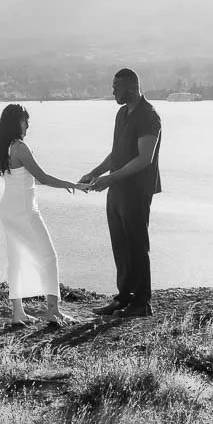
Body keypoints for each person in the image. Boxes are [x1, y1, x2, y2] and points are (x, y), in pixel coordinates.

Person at [80, 68, 162, 317]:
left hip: (136, 191)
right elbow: (116, 153)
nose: (113, 90)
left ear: (131, 86)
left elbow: (144, 159)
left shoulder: (149, 116)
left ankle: (142, 302)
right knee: (120, 245)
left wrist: (109, 179)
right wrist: (95, 173)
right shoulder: (121, 114)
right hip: (116, 190)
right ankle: (124, 297)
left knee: (137, 245)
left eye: (117, 86)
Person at [0, 103, 85, 328]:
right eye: (25, 120)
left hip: (8, 209)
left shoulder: (4, 146)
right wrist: (71, 184)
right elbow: (42, 177)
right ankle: (53, 312)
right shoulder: (20, 147)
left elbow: (26, 179)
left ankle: (18, 313)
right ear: (17, 122)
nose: (28, 125)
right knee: (48, 256)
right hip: (25, 211)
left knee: (15, 259)